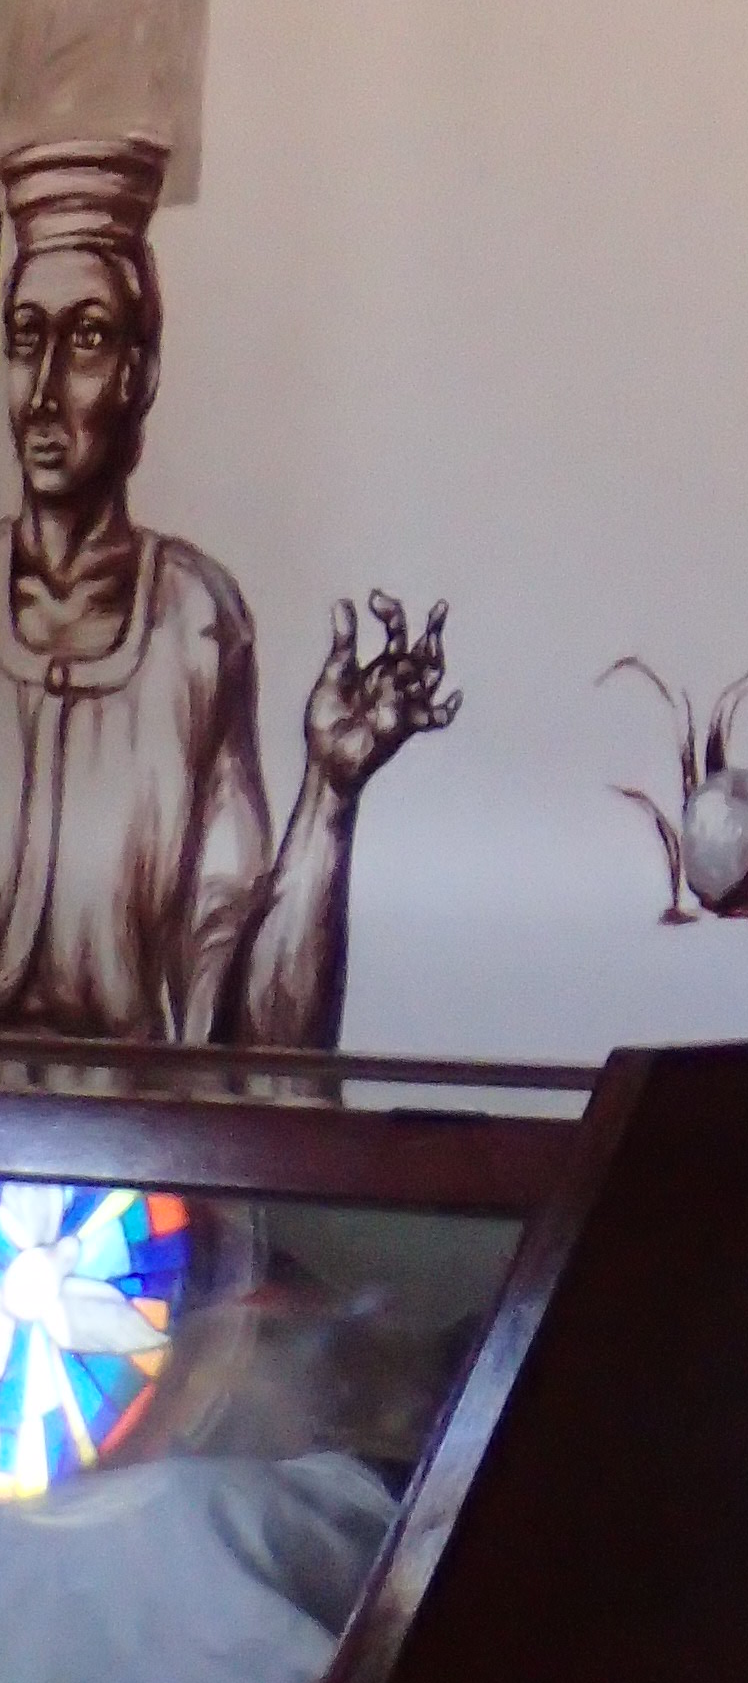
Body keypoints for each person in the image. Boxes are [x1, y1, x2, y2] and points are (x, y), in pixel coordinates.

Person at [0, 136, 456, 1042]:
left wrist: (331, 790)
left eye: (86, 339)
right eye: (24, 339)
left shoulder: (196, 625)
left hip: (128, 1128)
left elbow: (259, 1037)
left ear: (138, 374)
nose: (44, 392)